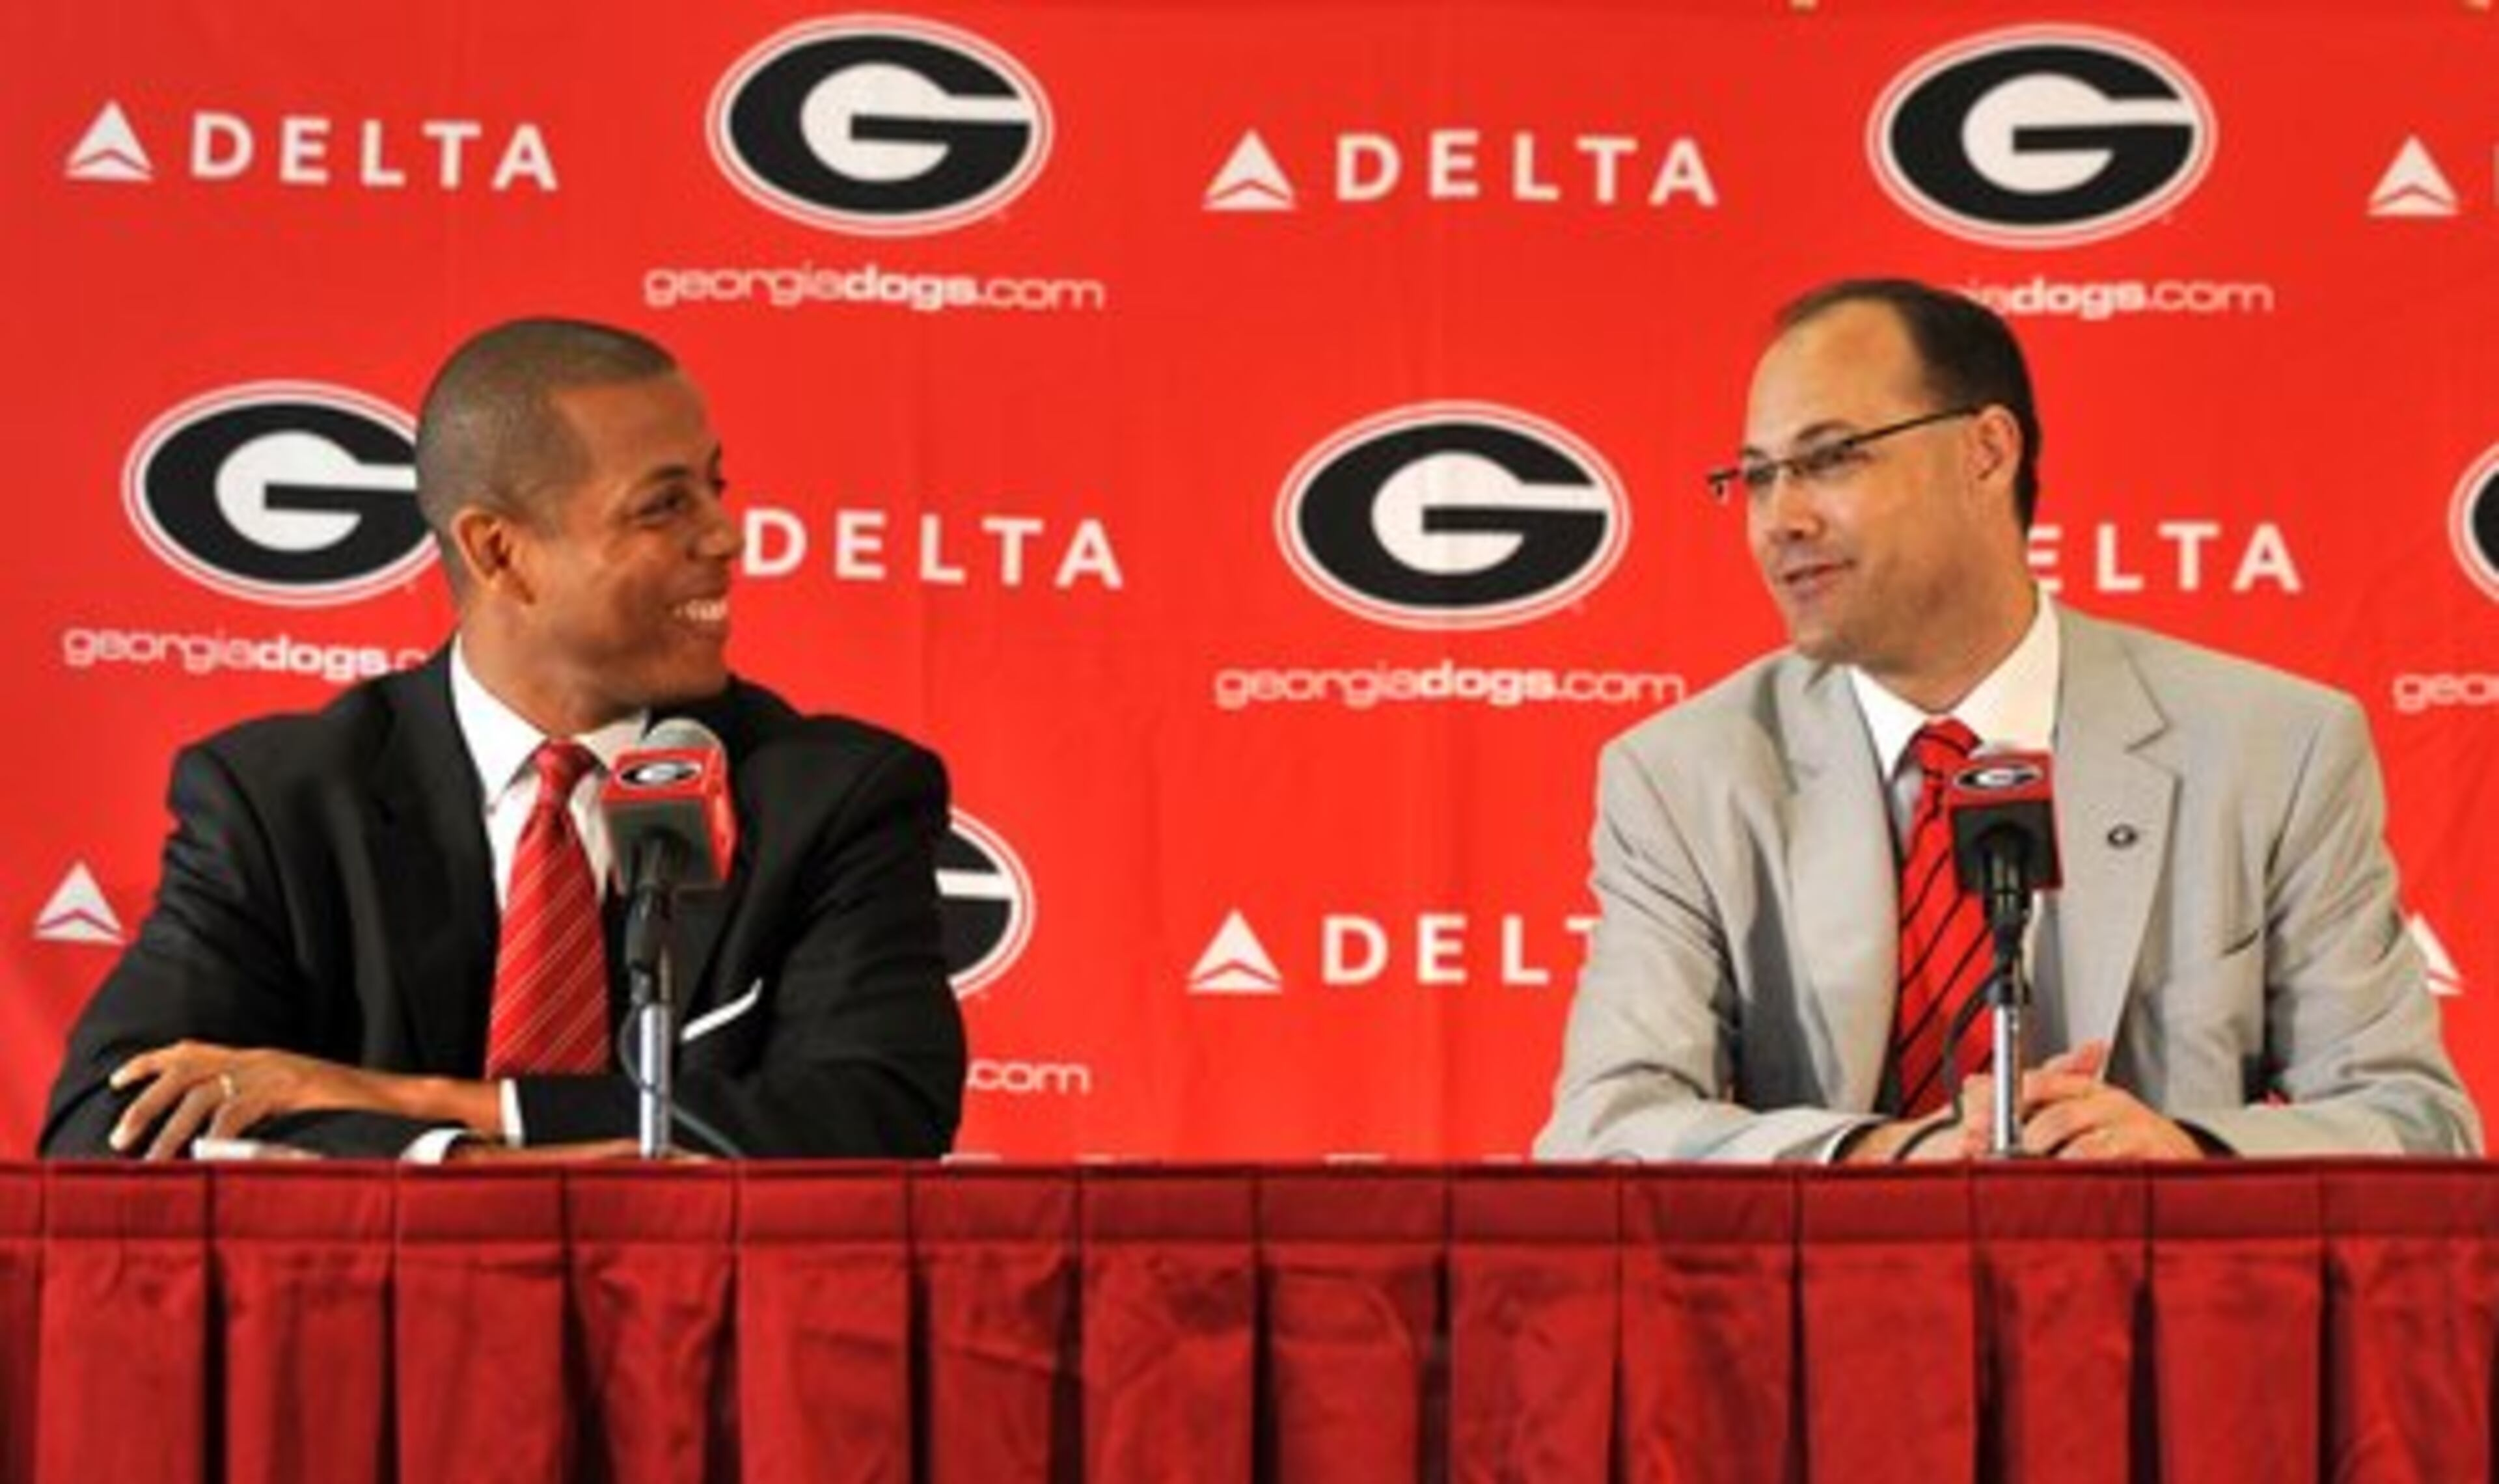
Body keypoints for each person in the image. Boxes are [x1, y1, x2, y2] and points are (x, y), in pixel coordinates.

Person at [1536, 278, 2479, 1163]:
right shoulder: (1684, 775)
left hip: (2169, 1319)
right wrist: (1882, 1154)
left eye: (1828, 460)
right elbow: (1606, 1123)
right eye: (1754, 478)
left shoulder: (2275, 749)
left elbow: (2415, 1118)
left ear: (1988, 451)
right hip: (1832, 1320)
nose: (1780, 518)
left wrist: (2188, 1149)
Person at [42, 318, 965, 1161]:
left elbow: (874, 1115)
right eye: (663, 507)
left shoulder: (831, 797)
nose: (725, 536)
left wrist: (427, 1101)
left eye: (714, 489)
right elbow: (105, 1124)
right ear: (498, 552)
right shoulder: (281, 801)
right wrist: (458, 1164)